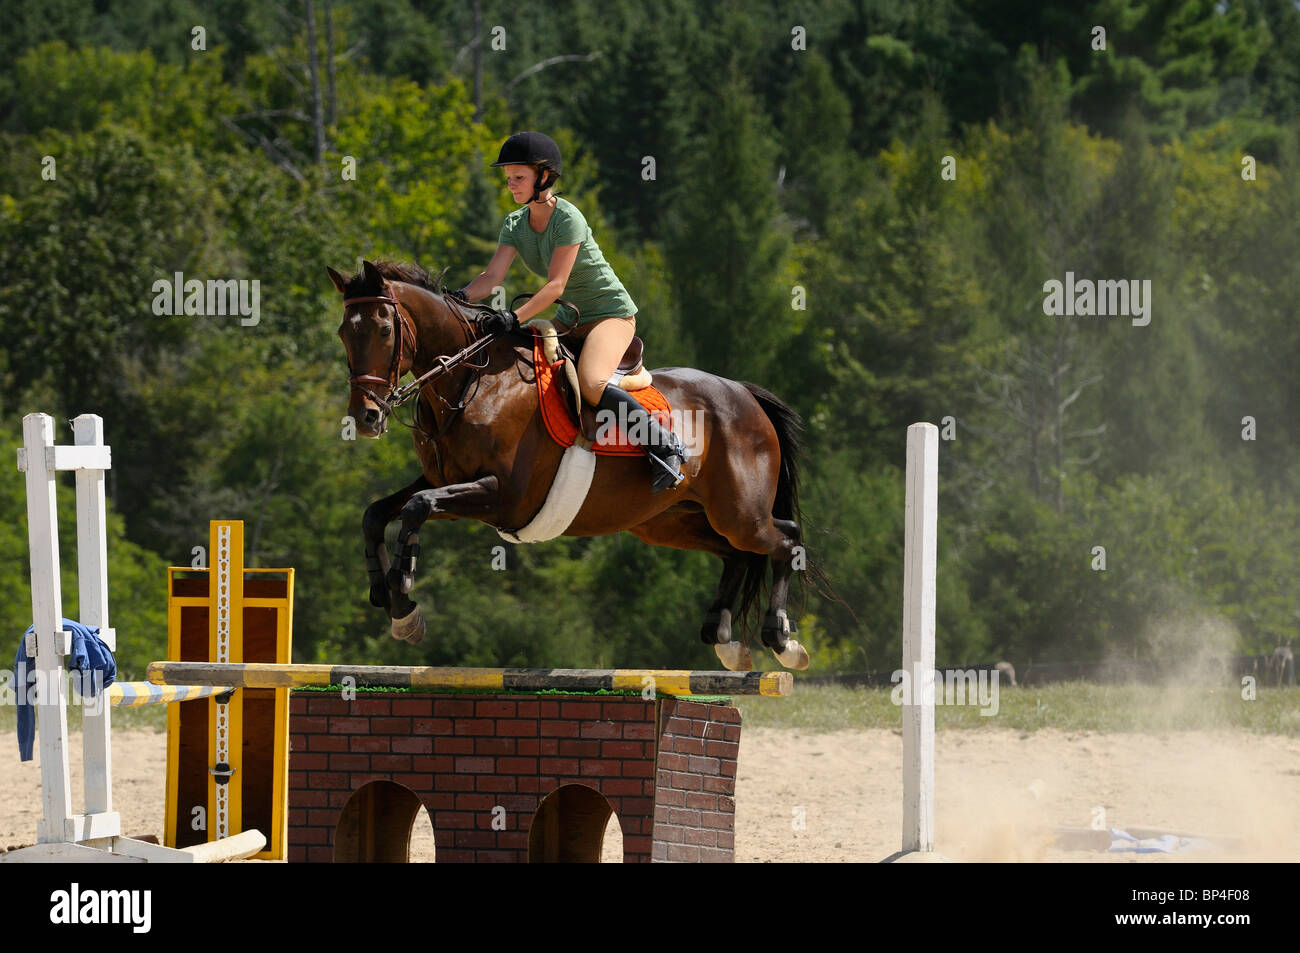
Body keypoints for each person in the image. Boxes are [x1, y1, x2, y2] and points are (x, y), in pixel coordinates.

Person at [452, 131, 687, 492]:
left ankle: (665, 448)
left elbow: (556, 286)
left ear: (543, 177)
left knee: (592, 383)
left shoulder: (568, 218)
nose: (511, 185)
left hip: (610, 315)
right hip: (570, 318)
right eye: (508, 179)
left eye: (519, 178)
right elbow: (492, 277)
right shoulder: (515, 224)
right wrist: (456, 299)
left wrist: (515, 317)